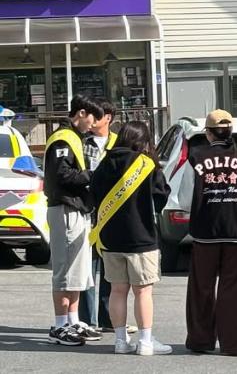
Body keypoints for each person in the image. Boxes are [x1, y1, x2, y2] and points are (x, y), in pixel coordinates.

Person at [182, 109, 237, 356]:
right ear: (231, 131)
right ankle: (233, 342)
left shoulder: (195, 159)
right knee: (236, 289)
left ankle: (201, 340)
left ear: (208, 134)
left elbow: (186, 200)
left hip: (205, 233)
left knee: (201, 288)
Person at [89, 121, 171, 355]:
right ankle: (145, 342)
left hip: (110, 239)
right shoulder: (146, 164)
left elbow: (92, 194)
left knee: (117, 290)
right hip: (141, 237)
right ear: (143, 141)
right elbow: (161, 197)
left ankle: (120, 341)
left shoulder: (105, 163)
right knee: (143, 291)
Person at [44, 94, 104, 346]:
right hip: (65, 209)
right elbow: (62, 175)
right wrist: (92, 174)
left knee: (78, 270)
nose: (94, 124)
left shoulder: (74, 138)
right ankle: (60, 325)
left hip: (76, 210)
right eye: (92, 118)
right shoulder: (63, 138)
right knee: (65, 270)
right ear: (81, 113)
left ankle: (73, 320)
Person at [79, 98, 121, 334]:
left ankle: (108, 318)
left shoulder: (119, 143)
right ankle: (86, 320)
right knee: (86, 267)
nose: (92, 120)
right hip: (89, 212)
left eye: (97, 115)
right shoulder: (82, 143)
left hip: (113, 214)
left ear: (108, 118)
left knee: (110, 270)